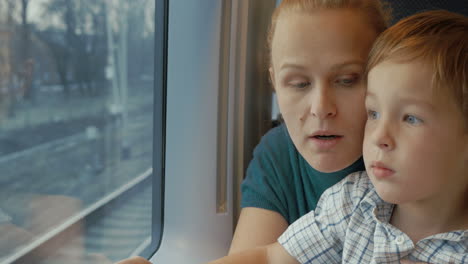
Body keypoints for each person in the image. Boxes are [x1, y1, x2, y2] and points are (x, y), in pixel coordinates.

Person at [115, 0, 390, 262]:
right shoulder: (278, 155)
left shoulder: (414, 159)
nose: (321, 108)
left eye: (346, 80)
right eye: (298, 83)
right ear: (274, 82)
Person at [208, 9, 468, 263]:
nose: (320, 108)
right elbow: (267, 257)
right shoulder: (353, 202)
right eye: (374, 113)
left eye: (346, 80)